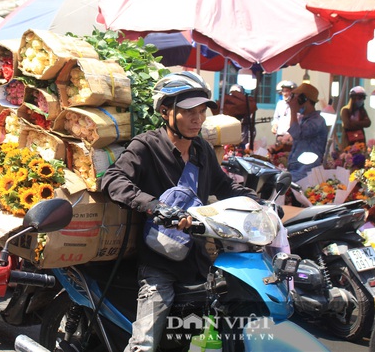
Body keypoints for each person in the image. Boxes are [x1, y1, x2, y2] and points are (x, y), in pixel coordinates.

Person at [101, 71, 259, 352]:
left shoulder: (202, 150)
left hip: (198, 261)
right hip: (159, 264)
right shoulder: (146, 146)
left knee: (201, 340)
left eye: (201, 111)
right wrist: (156, 207)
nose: (198, 119)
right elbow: (113, 179)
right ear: (165, 111)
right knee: (145, 343)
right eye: (189, 112)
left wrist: (258, 203)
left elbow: (224, 187)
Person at [286, 82, 328, 182]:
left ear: (304, 100)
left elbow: (296, 134)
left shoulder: (317, 120)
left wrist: (293, 110)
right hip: (296, 169)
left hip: (306, 172)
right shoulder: (303, 119)